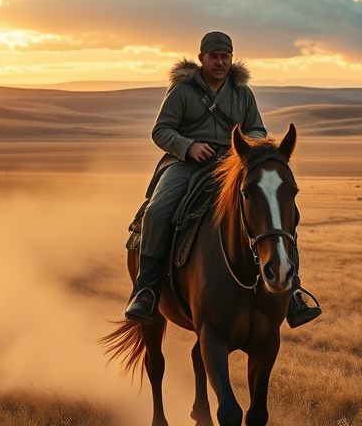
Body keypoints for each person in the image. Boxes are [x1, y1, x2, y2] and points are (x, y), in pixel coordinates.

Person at [125, 30, 321, 328]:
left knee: (277, 211)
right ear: (201, 58)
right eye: (214, 57)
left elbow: (257, 129)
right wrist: (188, 146)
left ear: (231, 58)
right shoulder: (182, 90)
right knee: (157, 210)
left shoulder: (242, 92)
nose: (220, 62)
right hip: (187, 163)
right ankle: (147, 290)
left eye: (225, 57)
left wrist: (243, 147)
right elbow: (161, 130)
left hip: (233, 164)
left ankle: (292, 291)